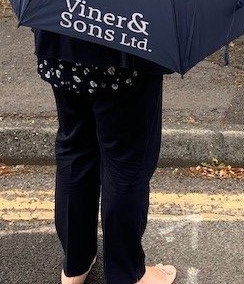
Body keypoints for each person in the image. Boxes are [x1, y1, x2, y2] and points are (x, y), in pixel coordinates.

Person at [32, 27, 178, 284]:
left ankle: (75, 266)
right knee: (126, 161)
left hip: (63, 36)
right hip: (125, 48)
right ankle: (127, 275)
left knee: (75, 147)